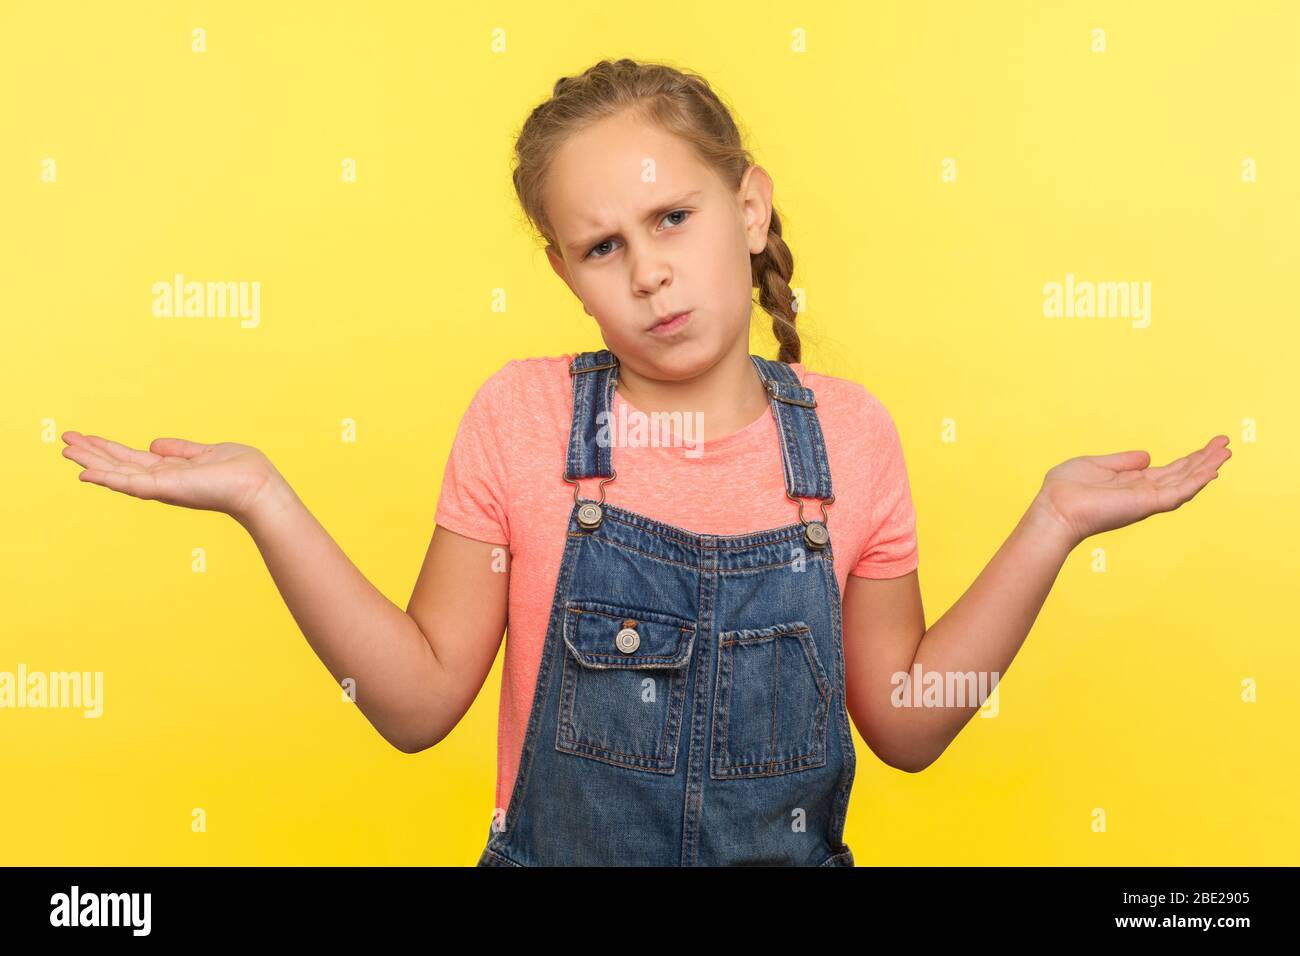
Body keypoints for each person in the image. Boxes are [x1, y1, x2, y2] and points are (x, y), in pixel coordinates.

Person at [60, 58, 1231, 867]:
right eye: (603, 246)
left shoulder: (851, 437)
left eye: (673, 217)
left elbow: (908, 724)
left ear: (751, 207)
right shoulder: (521, 421)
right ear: (568, 274)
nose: (649, 272)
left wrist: (1048, 526)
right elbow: (414, 707)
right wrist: (263, 498)